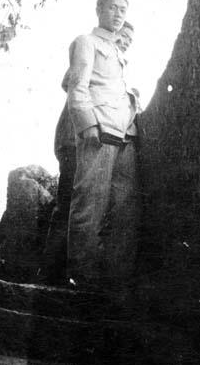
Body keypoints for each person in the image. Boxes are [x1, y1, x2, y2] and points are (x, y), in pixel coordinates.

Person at [43, 21, 137, 285]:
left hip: (92, 134)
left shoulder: (118, 69)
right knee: (70, 204)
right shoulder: (94, 54)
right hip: (74, 138)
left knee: (79, 204)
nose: (125, 42)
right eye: (122, 37)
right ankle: (53, 274)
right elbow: (72, 84)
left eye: (130, 39)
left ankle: (61, 272)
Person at [66, 0, 140, 291]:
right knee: (90, 204)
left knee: (124, 208)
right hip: (101, 131)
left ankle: (114, 281)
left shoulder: (120, 50)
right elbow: (76, 86)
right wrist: (87, 125)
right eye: (113, 8)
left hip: (127, 134)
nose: (119, 14)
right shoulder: (87, 42)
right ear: (99, 10)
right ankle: (82, 280)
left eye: (123, 9)